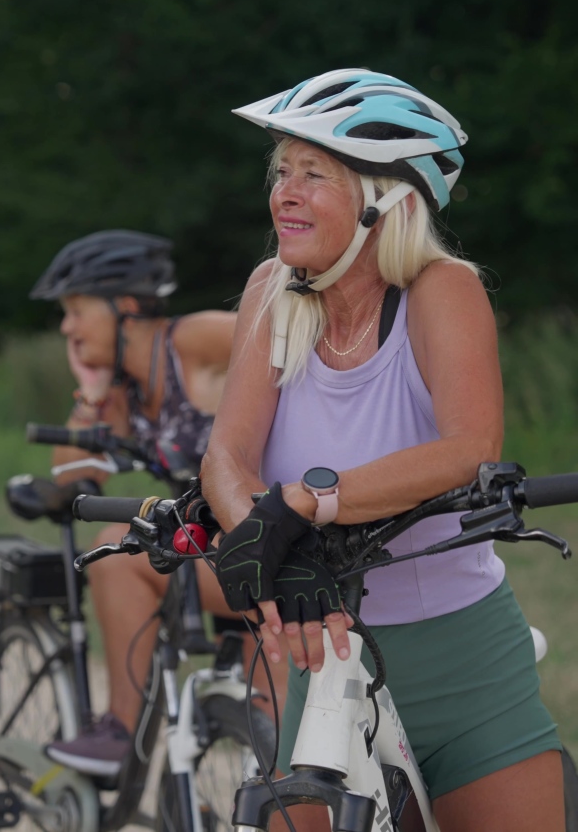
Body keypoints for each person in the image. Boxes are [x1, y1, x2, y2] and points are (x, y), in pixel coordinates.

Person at [201, 70, 564, 832]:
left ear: (384, 200)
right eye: (282, 172)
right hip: (326, 661)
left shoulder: (441, 288)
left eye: (313, 173)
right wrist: (266, 540)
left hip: (463, 666)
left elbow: (470, 446)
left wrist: (301, 503)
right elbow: (226, 457)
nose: (284, 193)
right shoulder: (272, 290)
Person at [30, 229, 287, 778]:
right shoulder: (124, 391)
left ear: (124, 307)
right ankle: (123, 732)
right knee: (120, 546)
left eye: (76, 311)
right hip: (221, 552)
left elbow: (290, 342)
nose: (67, 328)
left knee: (281, 750)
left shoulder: (193, 342)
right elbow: (75, 477)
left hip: (276, 546)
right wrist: (92, 392)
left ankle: (125, 732)